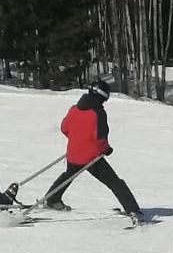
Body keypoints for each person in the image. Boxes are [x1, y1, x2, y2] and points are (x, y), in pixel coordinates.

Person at [43, 79, 144, 224]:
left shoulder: (74, 109)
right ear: (103, 96)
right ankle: (133, 210)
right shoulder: (98, 113)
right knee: (115, 183)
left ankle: (52, 199)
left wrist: (78, 139)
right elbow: (100, 138)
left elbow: (65, 128)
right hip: (91, 158)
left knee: (68, 175)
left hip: (73, 153)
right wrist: (106, 150)